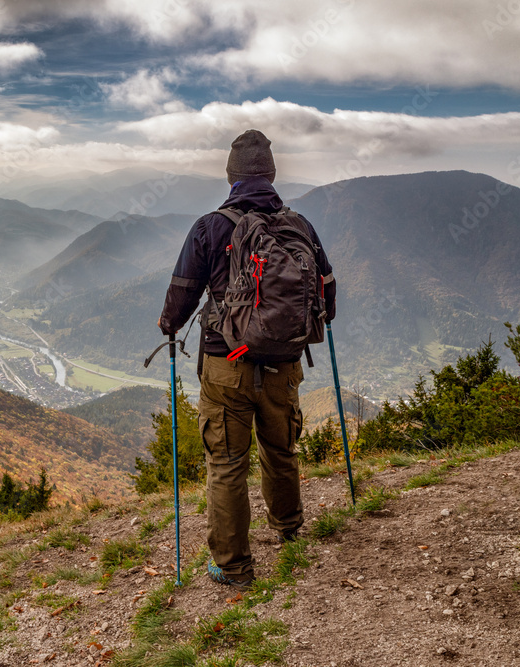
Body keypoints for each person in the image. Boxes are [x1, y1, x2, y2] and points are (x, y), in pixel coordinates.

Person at [157, 129, 336, 590]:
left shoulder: (210, 226)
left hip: (226, 366)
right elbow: (327, 298)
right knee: (281, 450)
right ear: (271, 174)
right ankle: (290, 529)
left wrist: (168, 326)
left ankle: (233, 567)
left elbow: (180, 298)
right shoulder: (300, 226)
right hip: (285, 365)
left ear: (231, 176)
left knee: (229, 463)